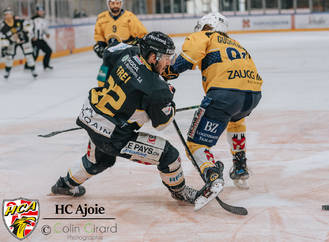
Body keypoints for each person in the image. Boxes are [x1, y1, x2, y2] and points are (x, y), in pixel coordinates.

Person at [51, 31, 213, 209]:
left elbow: (109, 51)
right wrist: (169, 102)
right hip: (113, 135)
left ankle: (64, 185)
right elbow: (161, 124)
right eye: (166, 57)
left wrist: (102, 81)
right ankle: (180, 191)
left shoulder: (129, 51)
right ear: (153, 57)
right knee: (169, 155)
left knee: (100, 161)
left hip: (91, 115)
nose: (168, 62)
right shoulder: (157, 89)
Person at [162, 12, 263, 189]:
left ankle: (212, 174)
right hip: (252, 96)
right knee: (236, 120)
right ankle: (240, 166)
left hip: (224, 95)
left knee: (195, 144)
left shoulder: (204, 36)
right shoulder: (236, 44)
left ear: (206, 26)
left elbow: (189, 58)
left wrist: (170, 71)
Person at [93, 0, 147, 86]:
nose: (115, 6)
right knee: (102, 77)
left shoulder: (129, 17)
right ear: (108, 4)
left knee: (128, 78)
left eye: (117, 3)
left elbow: (141, 34)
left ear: (121, 3)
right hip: (109, 53)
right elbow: (99, 35)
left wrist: (136, 44)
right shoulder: (101, 17)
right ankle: (100, 92)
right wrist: (99, 45)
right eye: (112, 3)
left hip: (126, 53)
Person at [0, 7, 38, 79]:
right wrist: (4, 46)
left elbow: (29, 25)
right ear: (4, 15)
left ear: (12, 14)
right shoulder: (2, 25)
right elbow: (2, 36)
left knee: (28, 55)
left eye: (9, 14)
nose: (8, 15)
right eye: (6, 14)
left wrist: (27, 33)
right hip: (12, 42)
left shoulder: (18, 20)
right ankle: (7, 71)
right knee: (9, 57)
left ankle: (33, 70)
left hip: (23, 40)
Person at [30, 6, 53, 70]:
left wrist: (47, 33)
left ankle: (46, 65)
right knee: (35, 55)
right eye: (39, 11)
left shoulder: (43, 20)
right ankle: (28, 66)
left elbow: (43, 28)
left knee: (49, 51)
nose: (41, 12)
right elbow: (29, 29)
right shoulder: (32, 19)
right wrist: (32, 37)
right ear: (37, 11)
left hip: (41, 39)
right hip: (35, 40)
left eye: (42, 11)